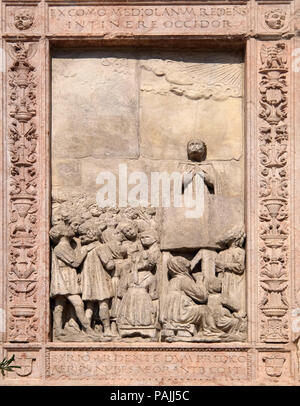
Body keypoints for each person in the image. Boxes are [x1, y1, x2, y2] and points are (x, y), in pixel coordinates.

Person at [50, 223, 93, 337]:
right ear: (62, 233)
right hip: (66, 278)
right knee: (78, 304)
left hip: (69, 276)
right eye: (67, 227)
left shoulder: (67, 245)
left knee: (60, 305)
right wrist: (85, 250)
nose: (70, 228)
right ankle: (88, 328)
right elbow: (75, 262)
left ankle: (58, 330)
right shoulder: (61, 247)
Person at [160, 256, 208, 338]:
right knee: (205, 310)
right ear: (182, 267)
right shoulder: (184, 280)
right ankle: (207, 333)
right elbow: (202, 297)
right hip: (181, 314)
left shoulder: (172, 281)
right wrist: (199, 280)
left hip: (173, 315)